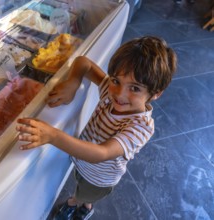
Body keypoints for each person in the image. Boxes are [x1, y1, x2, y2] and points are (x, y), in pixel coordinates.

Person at [16, 36, 177, 220]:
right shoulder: (111, 92)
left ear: (155, 94)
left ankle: (79, 205)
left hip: (100, 178)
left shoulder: (141, 127)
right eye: (116, 80)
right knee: (79, 182)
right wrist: (73, 83)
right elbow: (83, 62)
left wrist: (52, 135)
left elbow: (101, 153)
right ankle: (84, 203)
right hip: (83, 162)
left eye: (135, 88)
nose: (120, 94)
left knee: (84, 194)